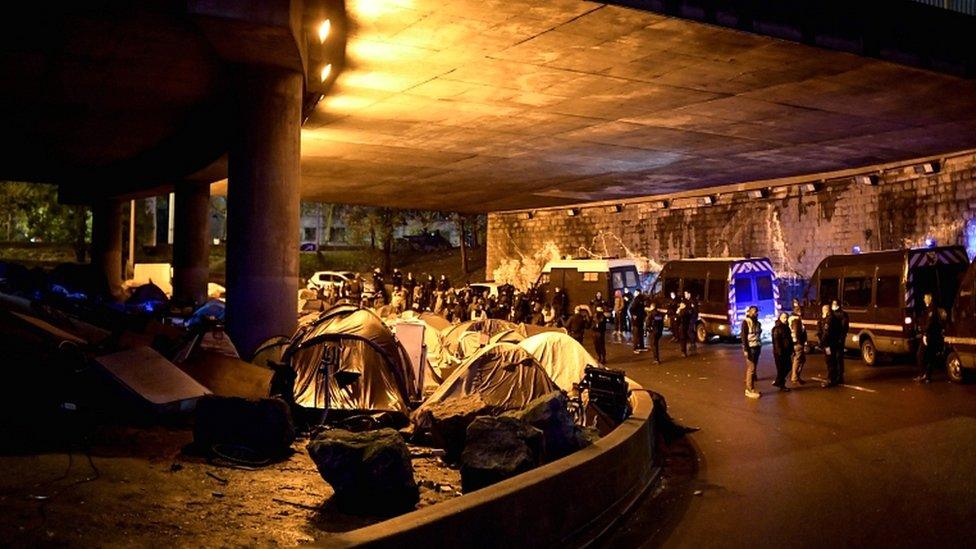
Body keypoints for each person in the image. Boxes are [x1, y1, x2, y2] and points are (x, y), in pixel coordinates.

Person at [914, 292, 946, 383]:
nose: (924, 299)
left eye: (925, 298)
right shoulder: (930, 308)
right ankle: (927, 376)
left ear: (929, 298)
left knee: (920, 355)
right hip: (932, 336)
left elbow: (930, 323)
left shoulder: (932, 309)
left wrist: (924, 333)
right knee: (929, 356)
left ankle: (922, 375)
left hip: (929, 336)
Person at [818, 304, 842, 388]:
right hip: (830, 343)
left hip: (829, 344)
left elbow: (826, 332)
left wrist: (822, 342)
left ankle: (831, 379)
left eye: (824, 309)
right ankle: (834, 377)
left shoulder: (830, 319)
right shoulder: (828, 318)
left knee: (830, 360)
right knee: (831, 360)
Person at [741, 305, 762, 399]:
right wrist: (746, 350)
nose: (756, 313)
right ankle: (749, 390)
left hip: (757, 347)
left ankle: (751, 388)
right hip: (750, 348)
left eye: (757, 312)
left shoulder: (757, 323)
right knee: (751, 368)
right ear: (749, 312)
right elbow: (744, 337)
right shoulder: (746, 322)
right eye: (754, 311)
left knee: (753, 368)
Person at [771, 312, 793, 391]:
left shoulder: (786, 327)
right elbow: (776, 342)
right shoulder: (777, 328)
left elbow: (789, 340)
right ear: (780, 318)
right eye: (784, 317)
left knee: (788, 367)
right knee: (781, 369)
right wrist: (779, 352)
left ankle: (778, 381)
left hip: (786, 351)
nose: (785, 319)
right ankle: (781, 385)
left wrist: (791, 349)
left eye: (787, 317)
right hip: (780, 353)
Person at [830, 299, 850, 386]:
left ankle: (838, 376)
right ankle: (835, 376)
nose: (833, 305)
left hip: (838, 339)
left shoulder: (841, 314)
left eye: (834, 304)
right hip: (835, 339)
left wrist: (841, 338)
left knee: (837, 358)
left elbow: (844, 327)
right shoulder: (833, 314)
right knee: (835, 358)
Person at [788, 299, 807, 385]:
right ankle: (795, 376)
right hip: (797, 343)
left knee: (801, 359)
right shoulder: (796, 320)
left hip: (794, 342)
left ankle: (796, 376)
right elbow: (797, 332)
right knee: (798, 359)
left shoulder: (792, 319)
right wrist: (800, 342)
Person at [629, 289, 647, 354]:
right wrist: (634, 315)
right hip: (636, 320)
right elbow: (631, 309)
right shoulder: (637, 299)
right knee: (636, 334)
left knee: (640, 333)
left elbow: (641, 309)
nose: (635, 293)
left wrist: (644, 315)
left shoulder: (639, 299)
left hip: (640, 319)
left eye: (636, 292)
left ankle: (641, 347)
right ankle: (635, 348)